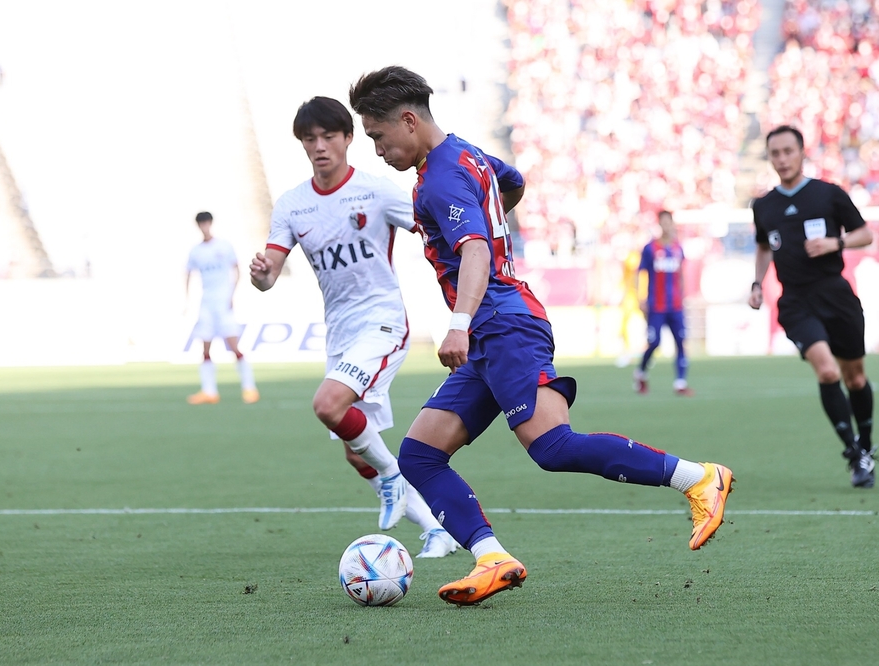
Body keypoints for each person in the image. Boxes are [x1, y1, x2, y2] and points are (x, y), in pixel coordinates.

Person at [349, 65, 734, 606]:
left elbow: (475, 249)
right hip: (492, 331)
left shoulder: (440, 178)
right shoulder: (468, 155)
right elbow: (513, 183)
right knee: (419, 455)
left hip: (501, 324)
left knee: (552, 447)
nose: (377, 150)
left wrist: (459, 321)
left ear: (409, 121)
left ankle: (697, 478)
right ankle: (492, 558)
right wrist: (487, 228)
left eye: (378, 136)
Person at [249, 96, 457, 558]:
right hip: (341, 333)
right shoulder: (292, 205)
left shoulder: (375, 191)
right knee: (354, 446)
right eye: (310, 139)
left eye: (328, 136)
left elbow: (432, 227)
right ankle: (436, 529)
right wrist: (260, 273)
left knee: (328, 404)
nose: (319, 146)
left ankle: (392, 477)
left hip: (383, 321)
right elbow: (268, 276)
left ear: (348, 138)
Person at [750, 125, 875, 488]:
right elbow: (763, 247)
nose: (782, 159)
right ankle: (854, 452)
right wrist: (757, 283)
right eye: (775, 153)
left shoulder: (828, 194)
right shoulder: (763, 205)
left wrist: (836, 243)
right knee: (827, 371)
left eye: (788, 151)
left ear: (802, 152)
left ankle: (866, 445)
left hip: (836, 295)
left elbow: (865, 234)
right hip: (795, 301)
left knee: (855, 377)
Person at [185, 211, 258, 405]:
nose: (204, 226)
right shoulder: (196, 251)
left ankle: (249, 388)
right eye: (201, 224)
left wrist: (232, 295)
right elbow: (188, 274)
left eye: (206, 222)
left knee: (234, 346)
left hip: (223, 302)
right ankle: (209, 391)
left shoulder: (224, 246)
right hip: (206, 303)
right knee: (205, 348)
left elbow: (237, 270)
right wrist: (187, 299)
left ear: (211, 223)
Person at [633, 210, 693, 396]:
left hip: (675, 305)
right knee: (654, 342)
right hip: (656, 305)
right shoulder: (650, 248)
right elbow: (640, 272)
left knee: (681, 341)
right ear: (659, 224)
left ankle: (680, 382)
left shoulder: (678, 248)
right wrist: (640, 298)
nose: (667, 226)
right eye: (663, 222)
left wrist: (683, 295)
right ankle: (641, 372)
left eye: (669, 222)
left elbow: (681, 274)